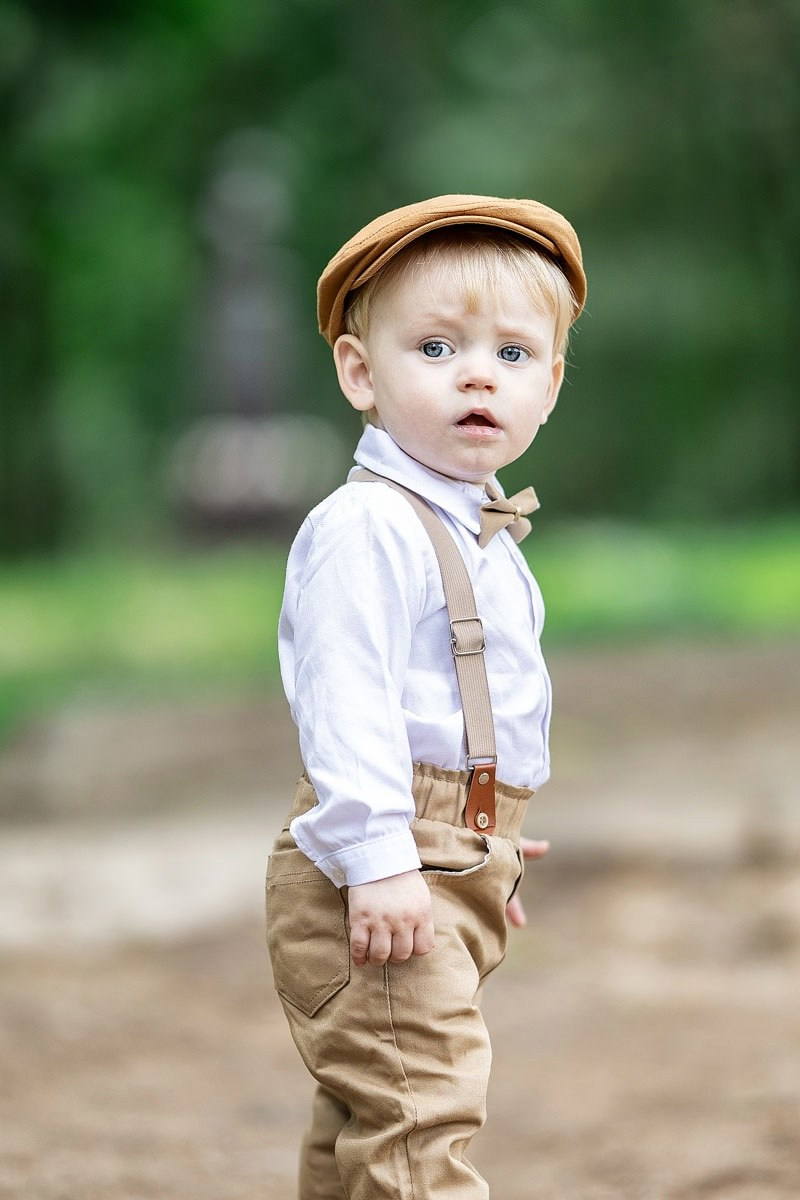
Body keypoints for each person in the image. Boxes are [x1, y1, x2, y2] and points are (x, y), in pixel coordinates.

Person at [266, 193, 587, 1200]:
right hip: (385, 858)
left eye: (512, 354)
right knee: (421, 1113)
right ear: (361, 374)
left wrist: (487, 835)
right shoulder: (368, 528)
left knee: (371, 1111)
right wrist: (379, 854)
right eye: (438, 349)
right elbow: (347, 700)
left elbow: (467, 711)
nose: (478, 375)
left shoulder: (477, 530)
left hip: (453, 858)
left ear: (550, 386)